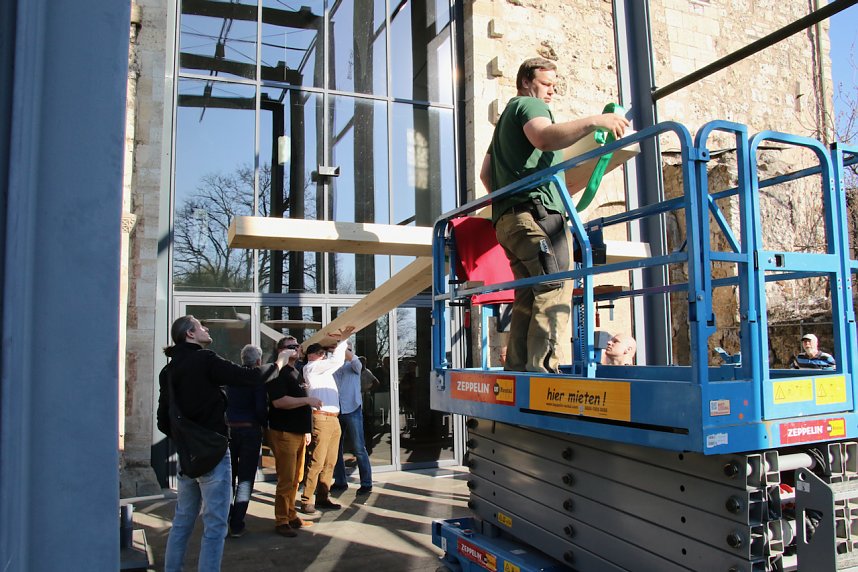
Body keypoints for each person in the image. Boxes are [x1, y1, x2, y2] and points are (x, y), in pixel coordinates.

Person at [480, 57, 629, 373]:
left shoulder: (504, 124)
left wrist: (513, 195)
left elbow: (485, 174)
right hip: (538, 216)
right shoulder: (528, 106)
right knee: (555, 286)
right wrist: (595, 121)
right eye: (546, 84)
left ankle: (519, 369)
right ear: (525, 81)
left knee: (527, 296)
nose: (551, 92)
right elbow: (543, 137)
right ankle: (544, 369)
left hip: (509, 221)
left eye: (554, 86)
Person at [156, 315, 288, 572]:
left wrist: (188, 439)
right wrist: (279, 364)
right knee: (215, 526)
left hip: (188, 457)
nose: (206, 328)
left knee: (182, 521)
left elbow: (163, 421)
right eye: (200, 326)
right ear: (190, 335)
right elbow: (249, 377)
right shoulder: (205, 360)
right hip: (213, 453)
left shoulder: (168, 371)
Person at [266, 335, 322, 537]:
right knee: (286, 478)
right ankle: (281, 520)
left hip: (299, 432)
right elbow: (279, 402)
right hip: (284, 432)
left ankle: (291, 515)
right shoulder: (277, 372)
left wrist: (307, 430)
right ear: (281, 350)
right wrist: (308, 401)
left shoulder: (296, 372)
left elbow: (298, 398)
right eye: (291, 346)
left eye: (298, 346)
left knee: (297, 478)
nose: (296, 349)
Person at [299, 326, 355, 514]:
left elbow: (335, 361)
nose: (324, 355)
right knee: (317, 460)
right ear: (313, 355)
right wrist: (343, 340)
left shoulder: (321, 371)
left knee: (330, 461)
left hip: (332, 418)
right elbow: (337, 360)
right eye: (321, 353)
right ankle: (307, 499)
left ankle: (322, 496)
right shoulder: (312, 368)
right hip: (321, 418)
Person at [225, 344, 268, 538]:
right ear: (258, 361)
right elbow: (260, 408)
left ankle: (226, 517)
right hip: (250, 429)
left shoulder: (233, 378)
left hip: (232, 429)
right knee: (245, 477)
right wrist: (264, 423)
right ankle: (237, 522)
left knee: (230, 476)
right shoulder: (256, 379)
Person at [331, 342, 373, 495]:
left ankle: (366, 483)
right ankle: (340, 481)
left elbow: (355, 362)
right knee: (335, 448)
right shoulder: (333, 366)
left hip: (353, 409)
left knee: (359, 448)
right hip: (337, 409)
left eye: (347, 349)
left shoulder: (355, 364)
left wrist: (342, 347)